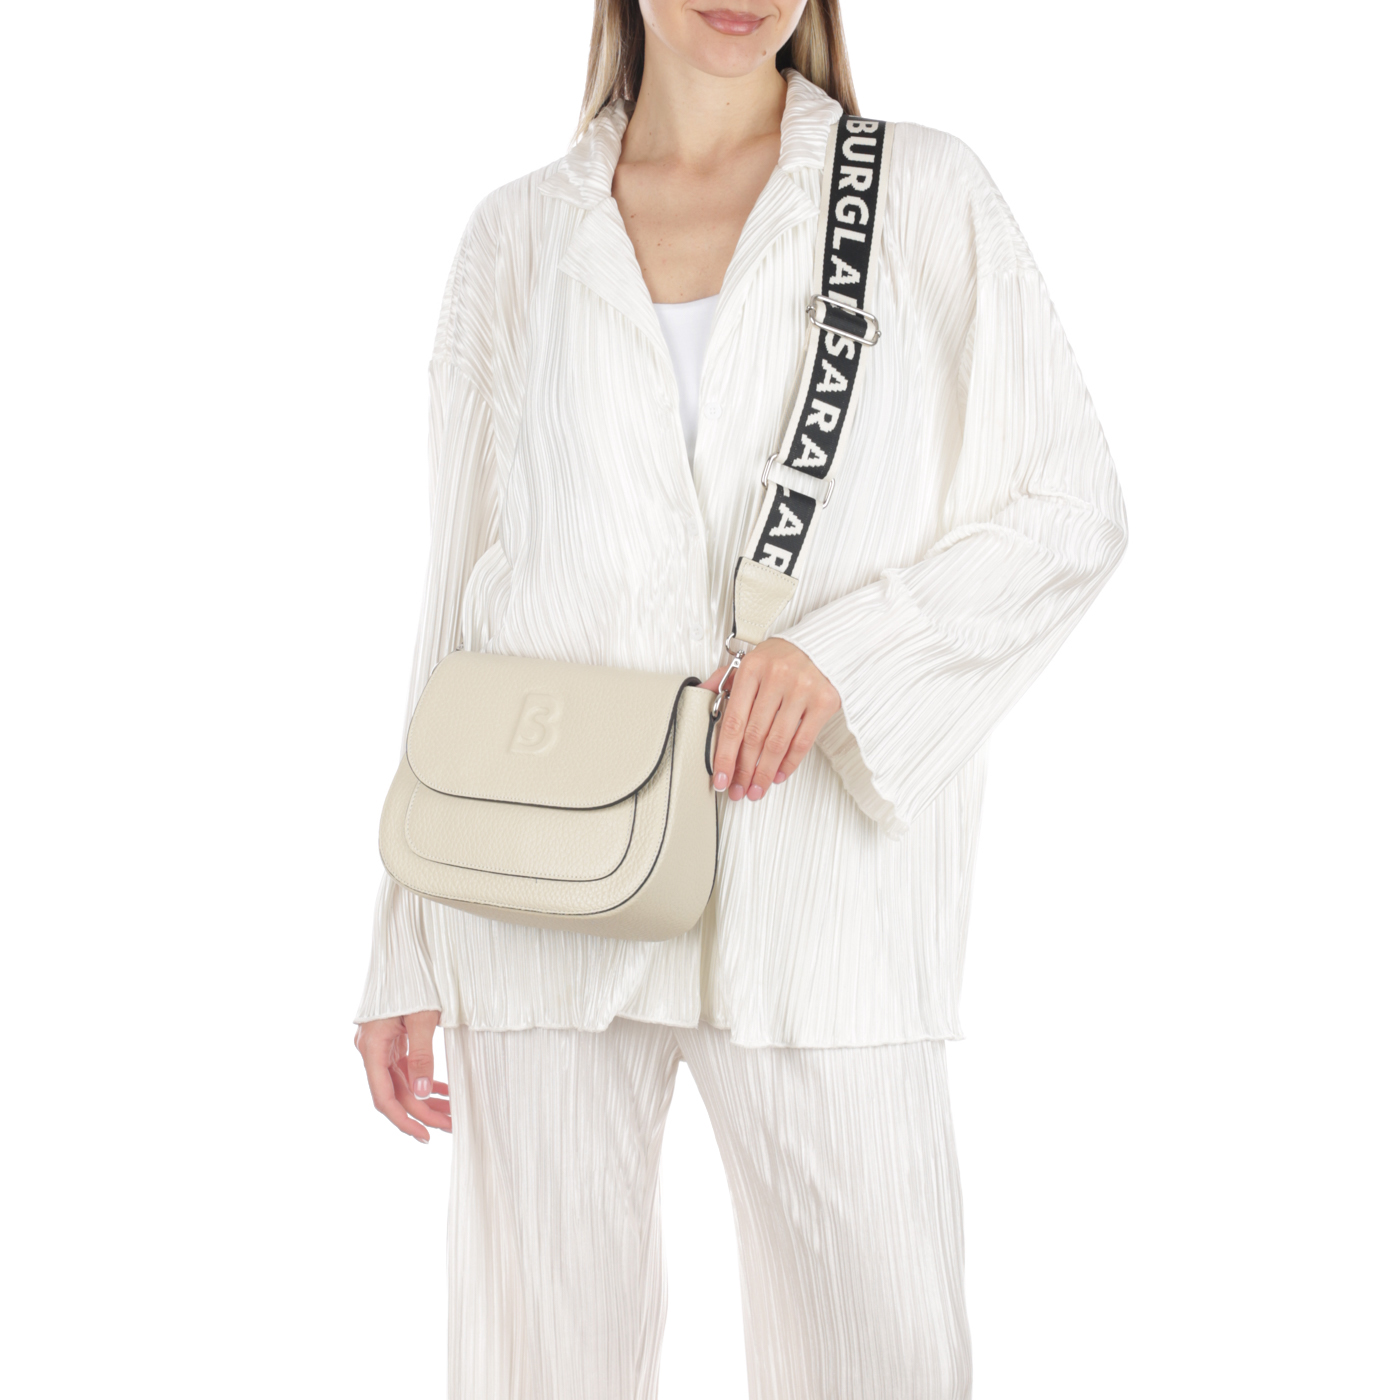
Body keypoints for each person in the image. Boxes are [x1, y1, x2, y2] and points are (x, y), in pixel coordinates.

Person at [354, 2, 1127, 1396]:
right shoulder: (516, 237)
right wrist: (403, 942)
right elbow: (457, 593)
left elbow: (1069, 506)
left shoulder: (921, 194)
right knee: (536, 1364)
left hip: (819, 879)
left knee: (880, 1358)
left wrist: (850, 657)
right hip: (533, 885)